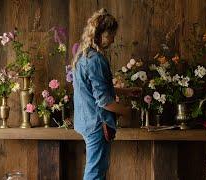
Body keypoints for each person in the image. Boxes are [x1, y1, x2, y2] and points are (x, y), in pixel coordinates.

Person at [72, 8, 135, 180]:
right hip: (97, 124)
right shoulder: (96, 60)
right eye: (110, 34)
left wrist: (125, 91)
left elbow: (93, 91)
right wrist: (126, 111)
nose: (113, 39)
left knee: (96, 171)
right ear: (98, 34)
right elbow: (104, 101)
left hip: (86, 121)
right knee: (95, 174)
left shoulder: (82, 57)